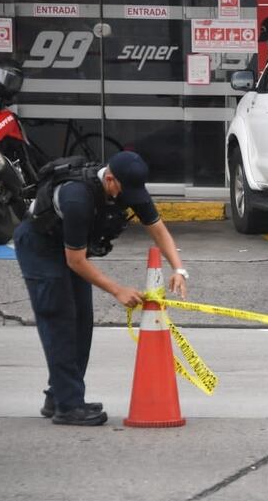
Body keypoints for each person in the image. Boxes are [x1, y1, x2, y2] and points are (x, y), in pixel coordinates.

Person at [14, 151, 189, 426]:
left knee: (82, 321)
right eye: (123, 191)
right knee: (60, 319)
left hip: (70, 251)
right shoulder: (77, 198)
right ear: (109, 178)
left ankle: (59, 394)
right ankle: (68, 406)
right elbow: (76, 261)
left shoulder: (128, 187)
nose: (128, 200)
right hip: (40, 248)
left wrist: (178, 269)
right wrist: (117, 290)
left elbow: (157, 229)